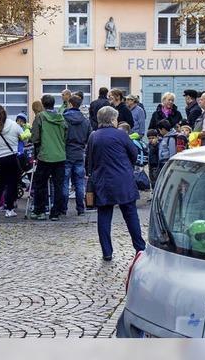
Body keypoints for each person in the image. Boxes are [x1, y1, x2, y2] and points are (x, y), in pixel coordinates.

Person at [86, 106, 145, 261]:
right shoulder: (121, 135)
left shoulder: (94, 136)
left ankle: (107, 251)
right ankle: (140, 247)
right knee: (131, 214)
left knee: (104, 216)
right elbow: (133, 154)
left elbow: (90, 161)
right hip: (123, 179)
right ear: (113, 119)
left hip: (102, 181)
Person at [31, 94, 68, 221]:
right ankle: (55, 213)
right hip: (60, 156)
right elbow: (65, 136)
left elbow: (35, 137)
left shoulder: (40, 117)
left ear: (43, 104)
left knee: (40, 185)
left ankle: (40, 211)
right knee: (58, 186)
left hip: (45, 156)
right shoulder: (61, 118)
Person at [0, 105, 23, 218]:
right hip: (12, 157)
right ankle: (9, 209)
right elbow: (23, 137)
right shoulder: (13, 124)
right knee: (12, 185)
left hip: (0, 159)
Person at [62, 95, 91, 216]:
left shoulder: (63, 119)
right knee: (79, 183)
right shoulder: (85, 121)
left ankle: (63, 208)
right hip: (79, 153)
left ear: (70, 104)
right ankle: (80, 208)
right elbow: (89, 138)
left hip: (66, 152)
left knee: (64, 182)